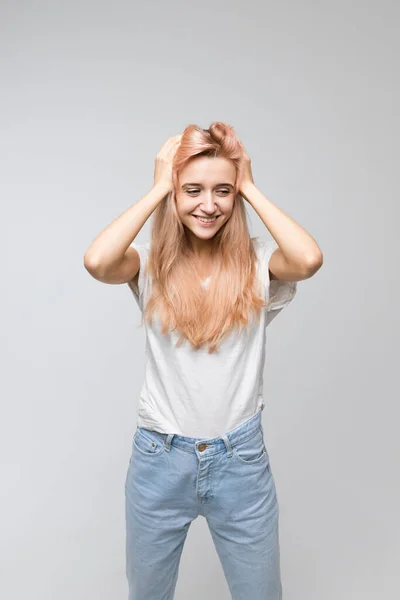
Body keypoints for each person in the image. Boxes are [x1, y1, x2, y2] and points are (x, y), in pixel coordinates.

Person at [84, 122, 323, 600]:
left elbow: (309, 258)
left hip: (240, 460)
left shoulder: (259, 263)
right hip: (159, 458)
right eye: (191, 190)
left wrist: (250, 183)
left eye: (223, 192)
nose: (208, 204)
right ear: (174, 194)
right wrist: (157, 188)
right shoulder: (149, 264)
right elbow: (97, 261)